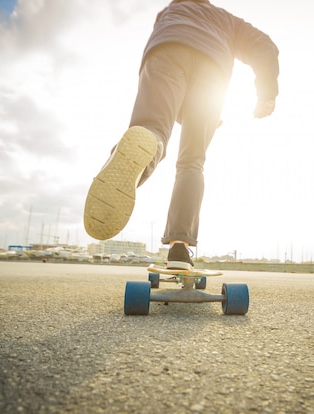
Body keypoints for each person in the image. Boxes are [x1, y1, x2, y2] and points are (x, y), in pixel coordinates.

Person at [83, 0, 279, 270]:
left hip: (167, 47)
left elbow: (179, 63)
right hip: (213, 72)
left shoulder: (170, 11)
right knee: (191, 162)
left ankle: (142, 149)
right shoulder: (226, 20)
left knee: (152, 129)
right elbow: (265, 45)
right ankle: (179, 247)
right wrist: (266, 94)